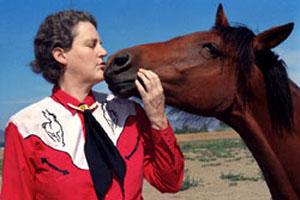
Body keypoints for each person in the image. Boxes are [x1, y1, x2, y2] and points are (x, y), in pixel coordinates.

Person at [0, 10, 184, 200]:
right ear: (61, 55)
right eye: (92, 45)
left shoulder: (129, 113)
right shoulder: (26, 127)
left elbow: (169, 182)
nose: (103, 52)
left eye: (101, 44)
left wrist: (158, 119)